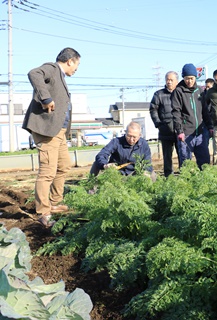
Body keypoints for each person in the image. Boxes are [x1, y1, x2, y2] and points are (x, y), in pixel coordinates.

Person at [22, 47, 81, 227]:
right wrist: (46, 98)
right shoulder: (52, 68)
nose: (77, 69)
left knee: (63, 166)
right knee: (47, 171)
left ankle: (54, 202)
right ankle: (43, 211)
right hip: (47, 131)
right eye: (77, 64)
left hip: (59, 132)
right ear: (70, 60)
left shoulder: (61, 77)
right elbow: (34, 73)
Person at [172, 63, 213, 169]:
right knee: (186, 163)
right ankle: (186, 184)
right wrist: (180, 131)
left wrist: (210, 127)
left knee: (204, 162)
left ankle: (205, 183)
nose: (189, 81)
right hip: (186, 134)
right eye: (186, 78)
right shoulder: (178, 92)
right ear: (183, 78)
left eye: (191, 78)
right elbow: (176, 112)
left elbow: (205, 111)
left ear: (195, 77)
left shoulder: (199, 91)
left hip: (200, 133)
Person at [90, 121, 156, 179]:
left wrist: (146, 172)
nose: (131, 139)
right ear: (125, 132)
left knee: (152, 175)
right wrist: (105, 165)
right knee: (97, 163)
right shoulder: (116, 142)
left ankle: (147, 191)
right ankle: (91, 188)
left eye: (134, 137)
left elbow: (148, 162)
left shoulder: (144, 145)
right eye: (129, 136)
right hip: (116, 173)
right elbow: (102, 154)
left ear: (139, 135)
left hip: (134, 174)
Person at [149, 71, 179, 177]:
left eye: (171, 80)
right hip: (165, 130)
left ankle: (184, 176)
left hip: (179, 131)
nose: (169, 82)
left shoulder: (180, 93)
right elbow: (153, 110)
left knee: (183, 155)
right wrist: (158, 124)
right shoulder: (159, 94)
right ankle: (168, 177)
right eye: (167, 80)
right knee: (167, 157)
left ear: (177, 81)